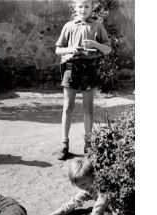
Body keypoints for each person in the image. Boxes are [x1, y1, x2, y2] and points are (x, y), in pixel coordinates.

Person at [55, 0, 111, 160]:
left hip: (89, 69)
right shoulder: (69, 26)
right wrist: (72, 49)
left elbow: (107, 49)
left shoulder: (97, 26)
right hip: (71, 68)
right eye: (80, 6)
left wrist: (94, 43)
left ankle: (88, 144)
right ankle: (64, 144)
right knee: (67, 107)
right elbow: (58, 49)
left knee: (88, 108)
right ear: (75, 8)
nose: (83, 9)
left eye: (87, 6)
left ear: (92, 8)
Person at [33, 158, 108, 215]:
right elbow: (70, 205)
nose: (82, 187)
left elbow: (101, 200)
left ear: (92, 175)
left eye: (83, 183)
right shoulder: (86, 189)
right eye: (78, 185)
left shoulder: (101, 185)